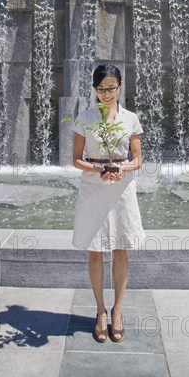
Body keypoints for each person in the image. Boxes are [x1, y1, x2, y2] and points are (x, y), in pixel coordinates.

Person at [70, 64, 146, 343]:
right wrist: (98, 170)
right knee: (94, 251)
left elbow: (137, 159)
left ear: (120, 87)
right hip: (93, 187)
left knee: (121, 251)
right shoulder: (85, 118)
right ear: (95, 89)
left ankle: (118, 311)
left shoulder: (130, 119)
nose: (106, 93)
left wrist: (120, 168)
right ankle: (101, 311)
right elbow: (76, 158)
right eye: (101, 88)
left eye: (111, 87)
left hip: (121, 189)